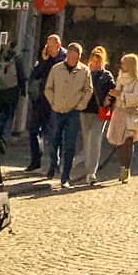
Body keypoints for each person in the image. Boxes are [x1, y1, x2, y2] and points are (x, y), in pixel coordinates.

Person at [44, 40, 94, 190]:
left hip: (73, 111)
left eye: (75, 57)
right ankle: (53, 164)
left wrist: (81, 105)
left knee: (70, 144)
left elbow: (88, 90)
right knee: (54, 140)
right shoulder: (56, 69)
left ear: (79, 57)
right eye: (70, 56)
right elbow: (48, 88)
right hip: (57, 109)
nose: (72, 60)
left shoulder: (84, 71)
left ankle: (65, 176)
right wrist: (53, 102)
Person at [26, 33, 65, 172]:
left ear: (58, 46)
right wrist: (43, 60)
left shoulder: (65, 59)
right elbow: (35, 75)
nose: (48, 49)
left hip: (57, 101)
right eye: (47, 46)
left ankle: (55, 163)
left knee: (55, 133)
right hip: (41, 99)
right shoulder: (45, 57)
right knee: (33, 129)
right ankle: (35, 160)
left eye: (51, 46)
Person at [105, 51, 138, 183]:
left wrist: (121, 95)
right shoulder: (120, 77)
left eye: (124, 63)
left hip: (132, 113)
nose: (121, 65)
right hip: (120, 112)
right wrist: (112, 96)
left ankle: (126, 169)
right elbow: (117, 92)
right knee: (120, 142)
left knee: (128, 140)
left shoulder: (137, 79)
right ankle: (122, 165)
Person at [81, 46, 115, 184]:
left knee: (95, 140)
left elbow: (114, 91)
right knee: (86, 140)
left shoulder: (106, 76)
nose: (95, 63)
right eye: (94, 61)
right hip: (85, 110)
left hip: (99, 111)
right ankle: (87, 168)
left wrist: (109, 98)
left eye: (98, 61)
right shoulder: (84, 72)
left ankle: (91, 172)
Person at [0, 44, 24, 151]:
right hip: (12, 91)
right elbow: (21, 76)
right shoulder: (17, 60)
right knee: (9, 116)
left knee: (0, 115)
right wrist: (23, 91)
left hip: (1, 91)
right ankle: (4, 139)